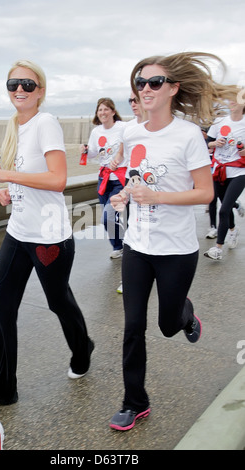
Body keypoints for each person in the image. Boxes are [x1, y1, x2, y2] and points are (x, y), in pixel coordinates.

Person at [109, 52, 238, 431]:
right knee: (133, 326)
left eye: (154, 83)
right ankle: (134, 402)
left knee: (166, 325)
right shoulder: (131, 133)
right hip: (138, 245)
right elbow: (136, 181)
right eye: (140, 83)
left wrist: (158, 197)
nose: (145, 89)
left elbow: (204, 194)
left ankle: (183, 312)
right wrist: (125, 195)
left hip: (176, 250)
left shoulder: (187, 135)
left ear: (173, 89)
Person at [0, 60, 94, 405]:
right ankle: (2, 383)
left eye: (27, 84)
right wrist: (12, 191)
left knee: (58, 301)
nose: (20, 91)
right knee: (2, 304)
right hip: (18, 231)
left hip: (49, 237)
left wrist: (7, 177)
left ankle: (82, 347)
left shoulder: (46, 123)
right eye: (13, 85)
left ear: (40, 90)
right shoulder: (15, 126)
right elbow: (29, 178)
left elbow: (57, 179)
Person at [83, 98, 127, 259]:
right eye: (100, 110)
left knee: (108, 215)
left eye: (106, 109)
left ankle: (124, 245)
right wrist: (86, 150)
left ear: (113, 112)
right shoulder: (96, 132)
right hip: (104, 179)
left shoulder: (123, 127)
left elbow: (131, 144)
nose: (103, 113)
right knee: (109, 219)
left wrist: (120, 156)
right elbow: (93, 153)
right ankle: (120, 245)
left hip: (121, 179)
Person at [204, 100, 245, 260]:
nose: (233, 102)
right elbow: (207, 142)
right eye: (232, 100)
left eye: (238, 100)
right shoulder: (220, 121)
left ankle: (218, 248)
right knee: (224, 207)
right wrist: (214, 143)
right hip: (219, 170)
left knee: (223, 209)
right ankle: (233, 231)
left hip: (239, 172)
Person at [117, 92, 146, 293]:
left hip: (154, 189)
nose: (133, 104)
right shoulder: (128, 128)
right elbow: (122, 155)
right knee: (129, 228)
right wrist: (124, 192)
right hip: (132, 183)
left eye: (136, 100)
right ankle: (128, 279)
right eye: (130, 101)